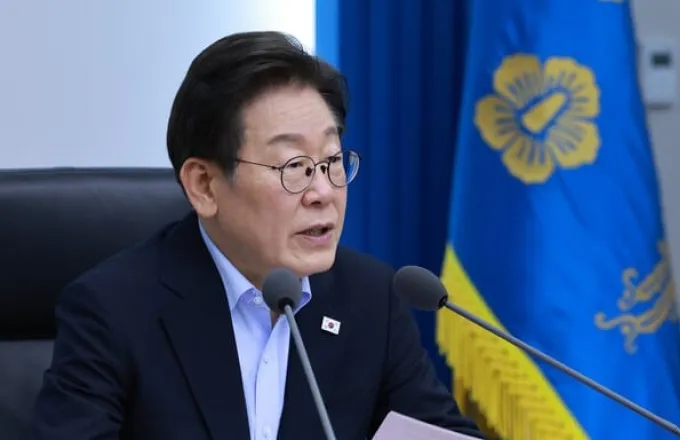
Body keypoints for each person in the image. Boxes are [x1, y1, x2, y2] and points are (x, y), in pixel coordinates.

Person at [28, 31, 482, 440]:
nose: (324, 192)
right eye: (293, 167)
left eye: (331, 160)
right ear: (204, 186)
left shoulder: (370, 301)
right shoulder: (114, 310)